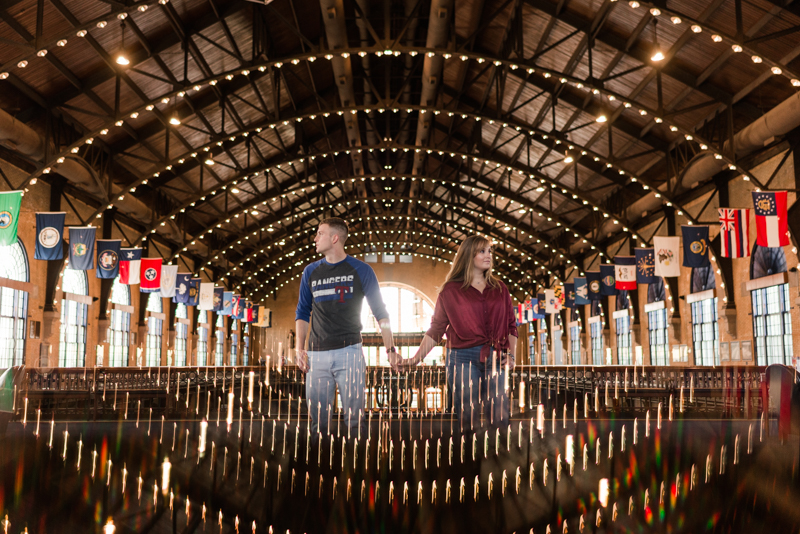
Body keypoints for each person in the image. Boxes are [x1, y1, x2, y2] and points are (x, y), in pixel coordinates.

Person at [390, 235, 517, 431]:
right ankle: (470, 459)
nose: (488, 256)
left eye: (489, 251)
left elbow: (511, 325)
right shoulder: (450, 291)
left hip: (497, 356)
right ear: (468, 255)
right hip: (462, 358)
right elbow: (436, 329)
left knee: (500, 417)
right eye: (482, 251)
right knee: (469, 417)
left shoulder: (500, 288)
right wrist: (415, 360)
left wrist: (512, 356)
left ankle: (498, 458)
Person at [295, 217, 396, 437]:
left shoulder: (361, 270)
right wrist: (299, 348)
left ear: (335, 238)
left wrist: (391, 350)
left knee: (354, 421)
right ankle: (317, 465)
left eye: (320, 233)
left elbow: (381, 313)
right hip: (316, 355)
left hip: (349, 353)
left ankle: (356, 465)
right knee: (317, 424)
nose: (315, 238)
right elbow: (302, 312)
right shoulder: (310, 272)